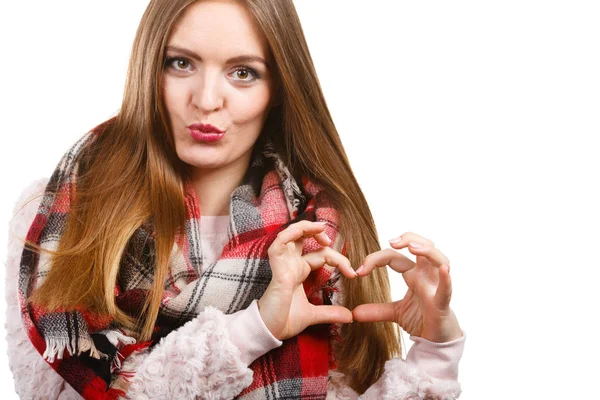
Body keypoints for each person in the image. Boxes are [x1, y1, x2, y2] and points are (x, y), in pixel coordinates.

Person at [6, 0, 466, 398]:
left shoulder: (320, 232)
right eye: (181, 63)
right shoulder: (60, 215)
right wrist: (254, 330)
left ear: (279, 91)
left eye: (243, 73)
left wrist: (436, 351)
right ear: (150, 67)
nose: (206, 100)